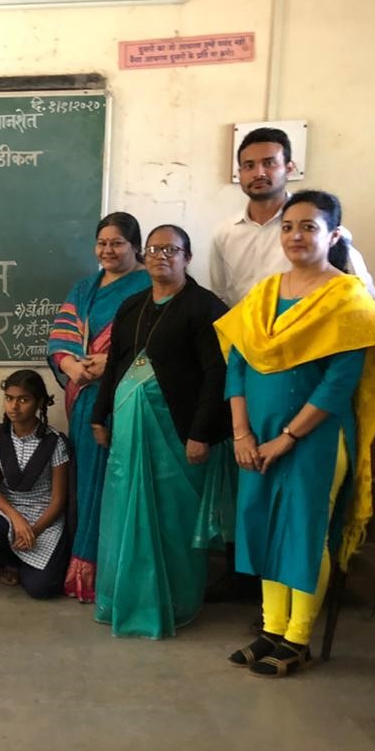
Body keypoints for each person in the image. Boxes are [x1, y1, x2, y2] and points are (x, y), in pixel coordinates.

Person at [216, 191, 375, 676]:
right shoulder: (264, 294)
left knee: (303, 533)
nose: (295, 236)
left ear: (333, 235)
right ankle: (271, 630)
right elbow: (237, 363)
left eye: (309, 227)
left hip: (315, 439)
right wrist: (241, 433)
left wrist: (288, 438)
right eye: (288, 227)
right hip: (255, 435)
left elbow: (339, 383)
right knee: (262, 525)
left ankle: (297, 639)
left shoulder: (348, 300)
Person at [91, 225, 233, 639]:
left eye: (171, 249)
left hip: (179, 436)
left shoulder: (206, 307)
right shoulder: (131, 306)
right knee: (125, 516)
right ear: (144, 255)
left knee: (172, 521)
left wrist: (201, 433)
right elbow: (115, 364)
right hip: (128, 433)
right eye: (154, 249)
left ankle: (174, 602)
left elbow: (216, 374)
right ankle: (125, 599)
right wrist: (100, 415)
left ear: (188, 257)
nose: (161, 256)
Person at [46, 212, 151, 602]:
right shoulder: (85, 287)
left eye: (117, 243)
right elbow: (61, 338)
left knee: (123, 484)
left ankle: (120, 576)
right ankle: (84, 571)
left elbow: (159, 343)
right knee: (88, 483)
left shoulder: (150, 285)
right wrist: (72, 367)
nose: (108, 250)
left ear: (135, 246)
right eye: (102, 243)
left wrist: (113, 362)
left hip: (130, 399)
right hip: (86, 398)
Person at [210, 127, 374, 306]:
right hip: (244, 323)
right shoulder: (225, 233)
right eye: (249, 166)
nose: (259, 173)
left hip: (310, 322)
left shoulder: (320, 228)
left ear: (289, 168)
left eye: (269, 163)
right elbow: (220, 295)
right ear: (240, 173)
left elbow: (363, 293)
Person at [0, 369, 70, 598]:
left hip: (44, 519)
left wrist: (34, 530)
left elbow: (58, 500)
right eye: (9, 398)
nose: (14, 406)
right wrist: (16, 520)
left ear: (39, 403)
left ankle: (26, 564)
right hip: (8, 511)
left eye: (23, 400)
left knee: (43, 589)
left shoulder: (54, 442)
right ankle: (9, 560)